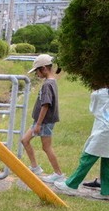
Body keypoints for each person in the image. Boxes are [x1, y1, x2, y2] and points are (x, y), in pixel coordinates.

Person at [54, 86, 109, 200]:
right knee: (107, 161)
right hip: (104, 128)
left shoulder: (99, 93)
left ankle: (71, 185)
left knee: (88, 157)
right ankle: (106, 191)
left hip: (104, 130)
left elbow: (94, 107)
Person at [21, 54, 64, 182]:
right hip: (41, 121)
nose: (36, 74)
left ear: (44, 68)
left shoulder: (47, 85)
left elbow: (45, 105)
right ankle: (35, 167)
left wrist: (38, 124)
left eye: (37, 71)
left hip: (44, 121)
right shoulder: (51, 81)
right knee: (24, 140)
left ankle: (58, 173)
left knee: (46, 147)